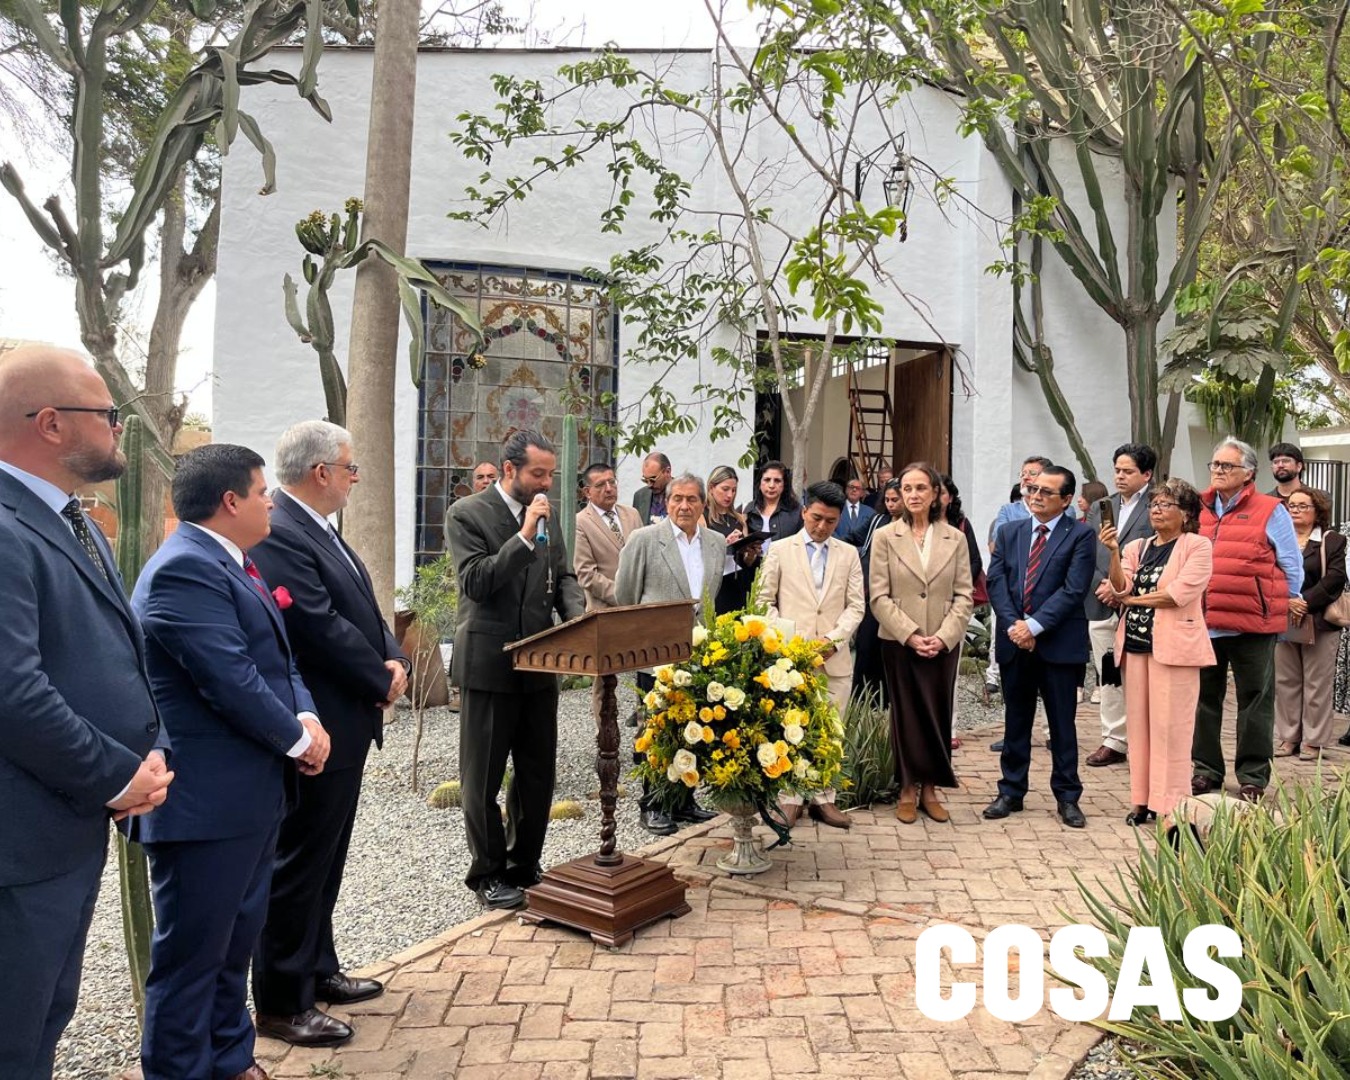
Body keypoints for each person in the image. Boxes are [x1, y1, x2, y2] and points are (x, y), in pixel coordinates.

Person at [0, 346, 173, 1080]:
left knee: (42, 1023)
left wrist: (151, 747)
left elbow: (119, 656)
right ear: (48, 425)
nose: (117, 430)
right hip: (19, 848)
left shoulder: (79, 526)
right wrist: (115, 775)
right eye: (105, 416)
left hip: (66, 831)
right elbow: (12, 691)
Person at [133, 445, 331, 1080]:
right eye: (262, 490)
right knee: (192, 959)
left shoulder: (235, 562)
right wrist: (297, 742)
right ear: (230, 502)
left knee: (232, 948)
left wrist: (307, 716)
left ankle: (230, 1059)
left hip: (250, 796)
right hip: (204, 804)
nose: (271, 500)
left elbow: (279, 659)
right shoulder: (182, 570)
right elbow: (230, 679)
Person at [249, 421, 409, 1047]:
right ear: (321, 473)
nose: (354, 477)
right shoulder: (283, 531)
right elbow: (316, 623)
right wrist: (380, 676)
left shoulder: (318, 527)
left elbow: (364, 610)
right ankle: (284, 1002)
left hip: (350, 715)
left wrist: (391, 657)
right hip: (322, 719)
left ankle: (318, 968)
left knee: (327, 859)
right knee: (299, 863)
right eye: (350, 467)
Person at [444, 430, 587, 909]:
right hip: (489, 664)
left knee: (536, 774)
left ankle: (525, 864)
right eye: (538, 474)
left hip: (542, 662)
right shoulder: (467, 514)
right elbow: (477, 582)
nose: (547, 482)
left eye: (550, 473)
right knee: (482, 777)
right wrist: (524, 535)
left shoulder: (547, 512)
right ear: (509, 471)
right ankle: (487, 873)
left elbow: (564, 574)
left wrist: (579, 622)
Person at [983, 465, 1096, 829]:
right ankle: (1011, 791)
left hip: (1058, 644)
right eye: (1033, 489)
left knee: (1062, 724)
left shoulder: (1080, 535)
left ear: (1066, 499)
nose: (1035, 496)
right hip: (1015, 641)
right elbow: (996, 580)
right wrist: (1015, 625)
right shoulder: (1010, 531)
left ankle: (1067, 797)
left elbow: (1074, 589)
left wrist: (1034, 625)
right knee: (1016, 720)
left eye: (1046, 492)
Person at [1192, 437, 1303, 802]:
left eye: (1227, 466)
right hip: (1206, 622)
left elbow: (1291, 565)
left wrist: (1280, 603)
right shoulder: (1199, 508)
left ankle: (1253, 776)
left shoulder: (1271, 509)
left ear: (1249, 473)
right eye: (1215, 465)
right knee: (1204, 698)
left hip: (1252, 623)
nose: (1219, 472)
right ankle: (1205, 770)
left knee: (1255, 699)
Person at [616, 473, 726, 835]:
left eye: (692, 499)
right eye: (677, 498)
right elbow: (626, 596)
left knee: (694, 727)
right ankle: (653, 803)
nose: (684, 505)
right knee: (656, 729)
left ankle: (685, 799)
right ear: (666, 501)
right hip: (655, 652)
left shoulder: (716, 542)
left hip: (696, 653)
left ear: (702, 504)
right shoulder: (645, 539)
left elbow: (710, 599)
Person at [1101, 479, 1214, 825]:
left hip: (1175, 650)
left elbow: (1177, 594)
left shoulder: (1197, 546)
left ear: (1187, 514)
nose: (1157, 511)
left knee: (1172, 729)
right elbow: (1120, 585)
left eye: (1166, 505)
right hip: (1136, 646)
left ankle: (1171, 805)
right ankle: (1141, 800)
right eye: (1154, 505)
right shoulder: (1139, 546)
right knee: (1140, 727)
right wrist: (1114, 553)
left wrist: (1130, 600)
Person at [756, 481, 865, 829]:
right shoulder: (780, 550)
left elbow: (856, 606)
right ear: (804, 511)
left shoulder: (848, 554)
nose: (821, 527)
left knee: (830, 731)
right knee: (790, 728)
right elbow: (764, 601)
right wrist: (791, 643)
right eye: (816, 518)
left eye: (830, 521)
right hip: (791, 660)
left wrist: (833, 640)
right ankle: (789, 799)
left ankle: (824, 799)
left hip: (834, 659)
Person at [871, 463, 974, 823]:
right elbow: (878, 596)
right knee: (905, 715)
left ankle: (930, 788)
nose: (913, 495)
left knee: (937, 713)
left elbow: (965, 595)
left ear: (935, 494)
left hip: (942, 643)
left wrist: (943, 637)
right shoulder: (885, 537)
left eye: (920, 489)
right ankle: (906, 787)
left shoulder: (955, 538)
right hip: (900, 642)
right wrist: (912, 635)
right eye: (907, 489)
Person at [1082, 443, 1157, 766]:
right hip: (1100, 602)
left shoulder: (1158, 506)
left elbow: (1157, 553)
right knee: (1108, 674)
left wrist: (1121, 588)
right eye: (1117, 470)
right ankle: (1114, 739)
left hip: (1139, 604)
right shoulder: (1101, 507)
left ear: (1147, 474)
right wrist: (1104, 583)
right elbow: (1089, 550)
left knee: (1143, 675)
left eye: (1128, 471)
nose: (1120, 477)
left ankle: (1146, 739)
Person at [1274, 485, 1347, 761]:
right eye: (1291, 505)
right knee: (1286, 680)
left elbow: (1335, 578)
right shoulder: (1277, 539)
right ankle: (1288, 737)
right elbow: (1269, 572)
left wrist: (1304, 601)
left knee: (1317, 682)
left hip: (1319, 620)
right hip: (1283, 617)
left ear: (1317, 511)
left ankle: (1314, 740)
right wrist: (1288, 600)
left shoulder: (1332, 540)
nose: (1295, 510)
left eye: (1303, 505)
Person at [573, 462, 644, 720]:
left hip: (638, 609)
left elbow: (643, 557)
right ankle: (603, 738)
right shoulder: (580, 522)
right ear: (587, 492)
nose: (609, 488)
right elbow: (586, 573)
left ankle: (647, 734)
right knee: (604, 677)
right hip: (604, 610)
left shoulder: (631, 514)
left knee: (646, 672)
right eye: (601, 484)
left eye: (612, 482)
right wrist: (622, 594)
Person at [852, 478, 904, 706]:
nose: (891, 504)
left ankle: (890, 699)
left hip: (900, 595)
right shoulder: (877, 521)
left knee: (891, 647)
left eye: (896, 500)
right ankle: (863, 698)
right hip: (873, 591)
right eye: (888, 500)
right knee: (867, 644)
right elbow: (852, 538)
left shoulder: (912, 525)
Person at [703, 464, 762, 614]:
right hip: (716, 588)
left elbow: (744, 562)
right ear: (711, 488)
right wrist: (725, 543)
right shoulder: (702, 517)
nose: (730, 495)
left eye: (734, 490)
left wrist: (750, 553)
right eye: (725, 489)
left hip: (738, 585)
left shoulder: (739, 519)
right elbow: (700, 554)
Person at [988, 456, 1054, 553]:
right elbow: (999, 542)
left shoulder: (1060, 509)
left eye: (1032, 474)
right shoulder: (1008, 510)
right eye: (1023, 474)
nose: (1025, 478)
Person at [744, 460, 802, 552]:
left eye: (777, 481)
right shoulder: (748, 510)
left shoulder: (796, 511)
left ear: (784, 485)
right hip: (754, 565)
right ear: (759, 483)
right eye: (767, 480)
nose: (771, 485)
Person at [633, 451, 672, 524]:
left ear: (667, 471)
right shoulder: (639, 496)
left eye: (653, 480)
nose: (649, 485)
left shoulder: (684, 493)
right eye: (645, 480)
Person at [834, 477, 876, 544]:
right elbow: (830, 529)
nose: (854, 490)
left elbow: (872, 535)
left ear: (862, 493)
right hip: (839, 548)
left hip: (861, 552)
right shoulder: (836, 509)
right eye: (851, 487)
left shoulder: (870, 512)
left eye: (858, 488)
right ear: (846, 490)